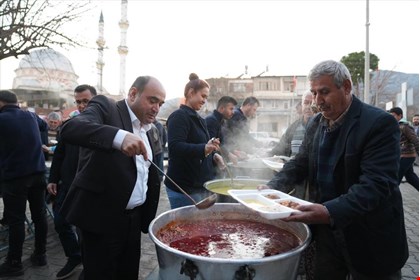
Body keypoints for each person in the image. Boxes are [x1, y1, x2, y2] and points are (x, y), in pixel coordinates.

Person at [261, 60, 408, 279]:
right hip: (327, 236)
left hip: (369, 234)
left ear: (346, 87)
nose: (318, 101)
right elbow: (299, 163)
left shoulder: (379, 123)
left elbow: (376, 185)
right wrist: (271, 188)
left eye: (324, 92)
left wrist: (330, 211)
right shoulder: (316, 123)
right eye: (314, 93)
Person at [58, 76, 166, 280]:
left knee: (127, 273)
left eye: (160, 103)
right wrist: (119, 137)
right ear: (133, 94)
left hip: (134, 220)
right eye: (152, 100)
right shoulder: (107, 107)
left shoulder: (152, 130)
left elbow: (150, 173)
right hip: (101, 218)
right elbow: (71, 129)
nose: (156, 108)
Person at [46, 84, 97, 279]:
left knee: (85, 230)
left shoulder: (104, 126)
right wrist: (53, 179)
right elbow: (59, 154)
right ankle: (74, 256)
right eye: (78, 102)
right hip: (66, 184)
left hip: (88, 188)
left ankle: (89, 263)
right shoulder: (69, 125)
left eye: (86, 101)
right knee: (60, 222)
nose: (82, 106)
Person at [0, 90, 49, 277]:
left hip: (15, 178)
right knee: (39, 215)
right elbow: (44, 126)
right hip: (38, 174)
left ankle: (14, 263)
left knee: (16, 221)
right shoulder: (30, 115)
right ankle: (41, 255)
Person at [165, 73, 224, 209]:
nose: (204, 101)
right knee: (185, 227)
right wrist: (204, 148)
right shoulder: (179, 116)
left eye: (206, 97)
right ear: (191, 93)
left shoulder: (198, 118)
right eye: (203, 96)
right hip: (183, 188)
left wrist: (214, 155)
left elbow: (201, 146)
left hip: (198, 187)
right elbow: (175, 147)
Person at [271, 90, 315, 158]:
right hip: (292, 167)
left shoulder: (322, 128)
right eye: (306, 103)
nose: (308, 107)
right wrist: (265, 155)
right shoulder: (294, 127)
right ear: (302, 105)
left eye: (312, 103)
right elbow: (280, 147)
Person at [389, 107, 419, 191]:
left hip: (407, 156)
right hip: (403, 156)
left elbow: (415, 140)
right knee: (410, 177)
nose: (392, 117)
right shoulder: (396, 125)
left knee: (395, 179)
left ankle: (390, 201)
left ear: (400, 116)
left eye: (393, 115)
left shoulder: (405, 126)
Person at [205, 96, 238, 165]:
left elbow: (222, 143)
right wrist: (229, 154)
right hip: (211, 165)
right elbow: (212, 145)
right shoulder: (212, 120)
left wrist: (233, 151)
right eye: (231, 109)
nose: (233, 112)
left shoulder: (221, 121)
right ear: (222, 108)